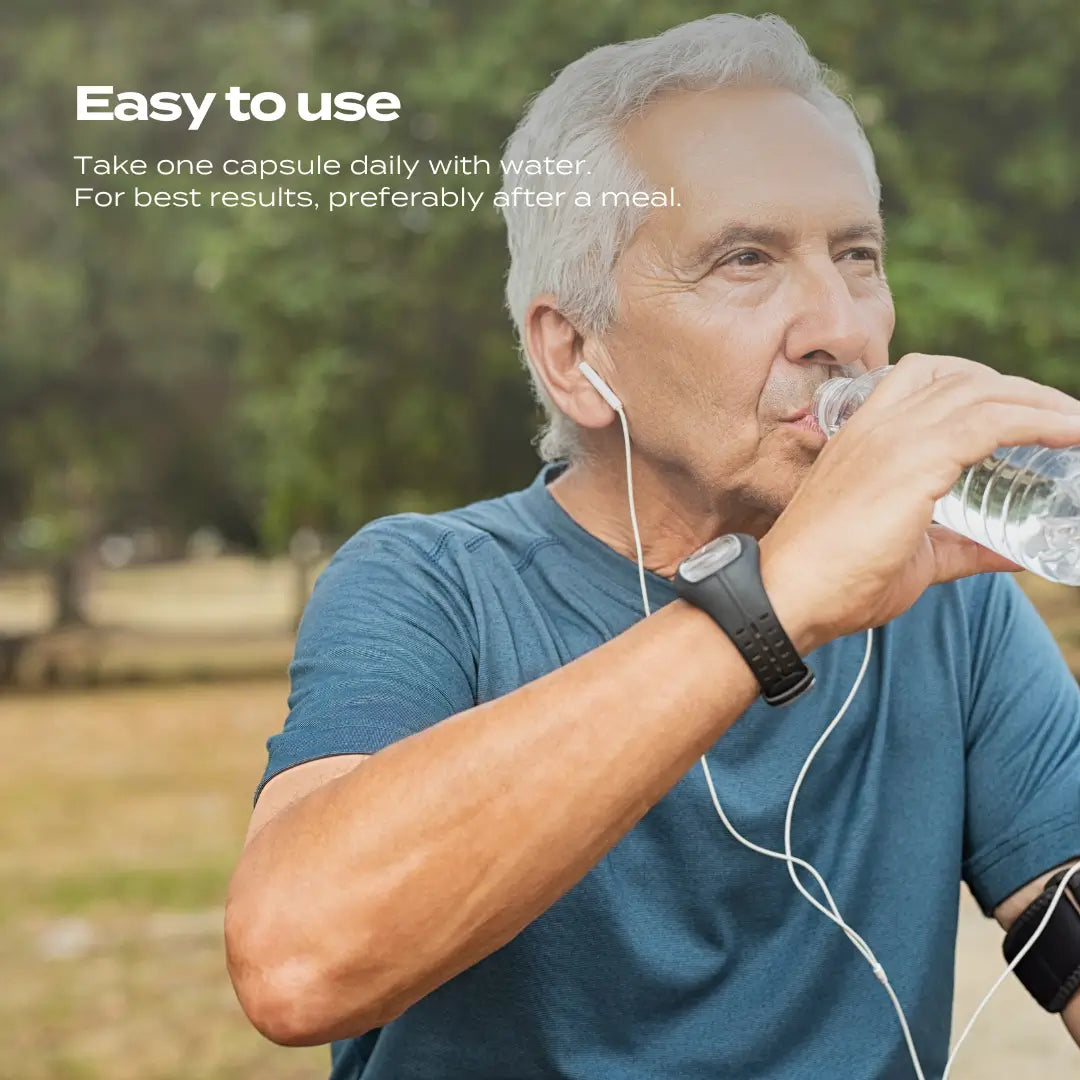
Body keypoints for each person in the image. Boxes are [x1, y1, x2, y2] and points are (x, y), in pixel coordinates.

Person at [225, 13, 1080, 1079]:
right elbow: (297, 965)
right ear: (578, 357)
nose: (840, 325)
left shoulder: (947, 601)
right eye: (745, 260)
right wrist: (773, 604)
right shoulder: (434, 585)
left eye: (857, 254)